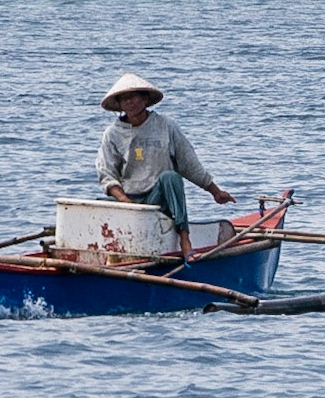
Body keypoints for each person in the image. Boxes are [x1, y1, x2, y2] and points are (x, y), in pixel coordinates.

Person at [95, 72, 235, 261]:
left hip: (159, 199)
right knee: (96, 207)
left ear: (145, 99)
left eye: (134, 97)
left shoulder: (165, 125)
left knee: (171, 177)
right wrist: (126, 202)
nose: (130, 102)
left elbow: (189, 164)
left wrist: (215, 191)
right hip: (129, 201)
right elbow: (107, 174)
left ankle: (185, 241)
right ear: (119, 104)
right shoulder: (112, 134)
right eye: (125, 99)